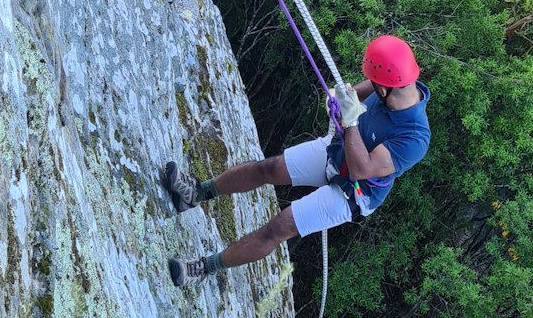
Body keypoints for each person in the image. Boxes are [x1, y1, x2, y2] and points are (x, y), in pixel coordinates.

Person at [166, 34, 430, 288]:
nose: (370, 82)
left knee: (280, 226)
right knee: (268, 168)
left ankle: (204, 268)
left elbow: (362, 169)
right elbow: (350, 96)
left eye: (374, 81)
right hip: (338, 151)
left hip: (355, 192)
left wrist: (350, 121)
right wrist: (338, 99)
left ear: (386, 87)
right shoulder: (385, 86)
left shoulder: (414, 138)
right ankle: (197, 193)